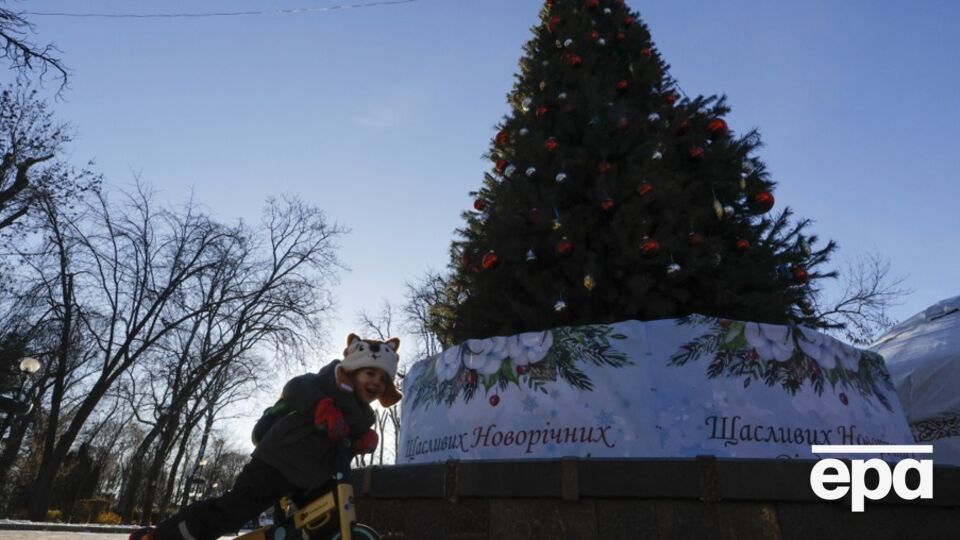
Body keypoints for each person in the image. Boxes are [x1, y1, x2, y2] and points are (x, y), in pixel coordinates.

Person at [129, 334, 403, 540]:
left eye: (383, 380)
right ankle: (163, 536)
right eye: (370, 373)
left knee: (329, 517)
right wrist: (322, 406)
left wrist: (360, 443)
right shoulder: (325, 383)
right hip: (277, 462)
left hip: (310, 479)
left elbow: (342, 448)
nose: (376, 384)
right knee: (234, 511)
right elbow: (294, 388)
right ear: (353, 370)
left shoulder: (363, 417)